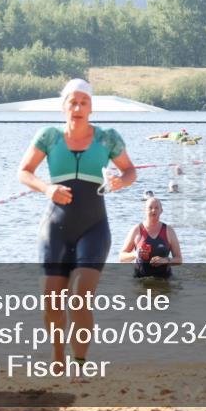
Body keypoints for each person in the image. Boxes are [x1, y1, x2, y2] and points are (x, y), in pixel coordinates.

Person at [18, 78, 137, 368]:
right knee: (51, 301)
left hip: (93, 226)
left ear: (91, 108)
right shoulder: (48, 137)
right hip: (55, 228)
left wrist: (120, 182)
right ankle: (58, 355)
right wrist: (48, 189)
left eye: (84, 103)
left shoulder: (107, 138)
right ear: (63, 108)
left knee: (80, 297)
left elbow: (130, 170)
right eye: (73, 102)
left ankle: (80, 362)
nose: (78, 107)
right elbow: (24, 171)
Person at [119, 196, 182, 279]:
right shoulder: (137, 229)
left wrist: (166, 260)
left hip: (164, 279)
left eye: (156, 208)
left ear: (161, 211)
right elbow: (122, 257)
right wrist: (136, 254)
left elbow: (179, 259)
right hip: (140, 279)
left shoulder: (169, 231)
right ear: (144, 210)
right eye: (150, 207)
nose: (153, 210)